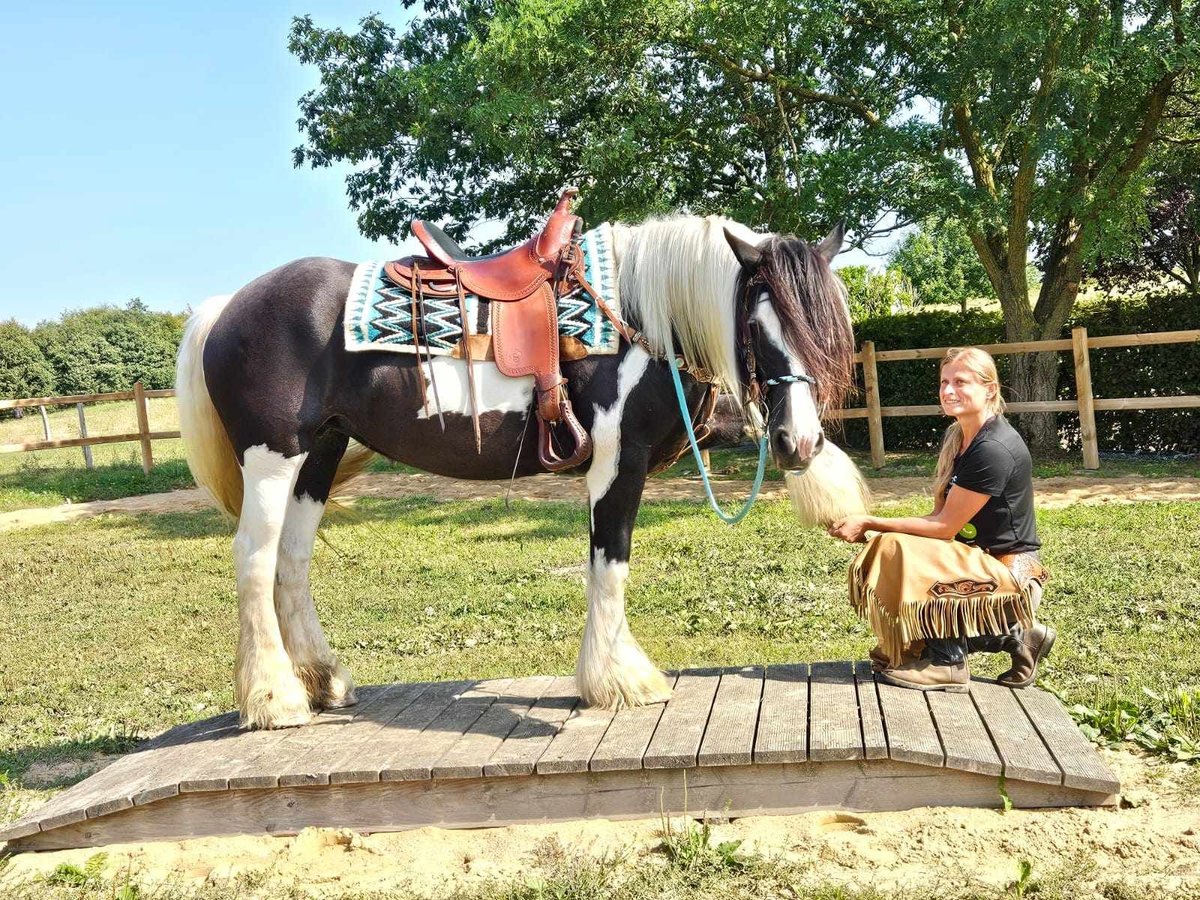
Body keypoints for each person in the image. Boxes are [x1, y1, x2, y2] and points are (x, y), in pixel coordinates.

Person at [828, 347, 1053, 692]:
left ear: (990, 389)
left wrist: (871, 521)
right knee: (898, 545)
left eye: (960, 382)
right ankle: (1017, 637)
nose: (948, 391)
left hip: (1009, 576)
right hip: (977, 563)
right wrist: (866, 524)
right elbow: (939, 519)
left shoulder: (993, 448)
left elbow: (944, 528)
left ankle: (948, 663)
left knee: (897, 547)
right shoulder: (962, 438)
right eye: (944, 382)